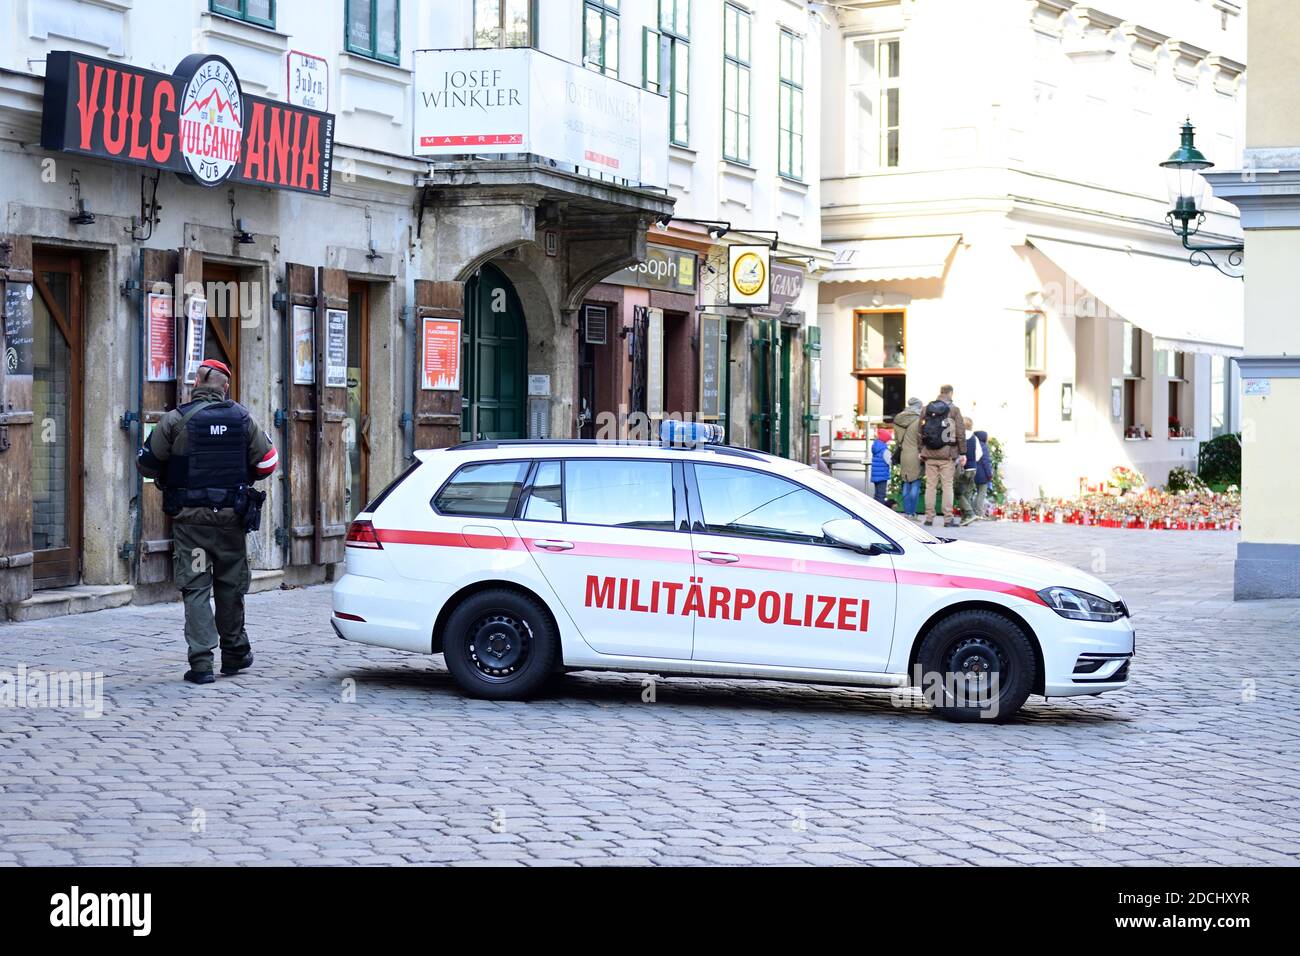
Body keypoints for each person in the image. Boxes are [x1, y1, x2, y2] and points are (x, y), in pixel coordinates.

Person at [136, 359, 278, 684]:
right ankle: (234, 654)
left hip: (191, 522)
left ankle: (201, 664)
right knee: (230, 586)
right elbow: (269, 462)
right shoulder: (243, 418)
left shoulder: (176, 419)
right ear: (225, 387)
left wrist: (168, 473)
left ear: (196, 383)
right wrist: (244, 475)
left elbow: (145, 464)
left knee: (196, 587)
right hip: (231, 518)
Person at [919, 384, 967, 528]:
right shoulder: (954, 410)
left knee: (930, 486)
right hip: (948, 453)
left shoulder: (926, 408)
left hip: (929, 453)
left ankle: (929, 518)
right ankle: (948, 519)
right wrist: (963, 452)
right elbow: (960, 432)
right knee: (947, 487)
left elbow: (919, 431)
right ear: (951, 393)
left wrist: (920, 450)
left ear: (940, 393)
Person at [892, 397, 924, 520]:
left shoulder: (899, 419)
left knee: (906, 482)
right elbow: (921, 438)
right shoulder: (919, 420)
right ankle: (912, 513)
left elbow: (897, 439)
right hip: (916, 454)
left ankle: (906, 512)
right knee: (915, 482)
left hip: (904, 454)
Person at [955, 417, 979, 526]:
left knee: (958, 493)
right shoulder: (975, 437)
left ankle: (969, 513)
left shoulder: (960, 436)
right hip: (973, 468)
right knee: (967, 493)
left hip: (963, 469)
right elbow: (979, 454)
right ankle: (965, 519)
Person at [971, 426, 993, 521]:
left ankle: (974, 511)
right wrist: (989, 474)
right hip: (982, 473)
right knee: (981, 493)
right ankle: (978, 512)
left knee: (975, 493)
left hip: (974, 472)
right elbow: (986, 462)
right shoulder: (983, 446)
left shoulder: (974, 444)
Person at [869, 422, 893, 504]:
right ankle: (880, 511)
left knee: (877, 494)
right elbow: (889, 461)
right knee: (881, 495)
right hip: (882, 476)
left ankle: (875, 507)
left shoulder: (876, 446)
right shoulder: (884, 450)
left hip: (876, 475)